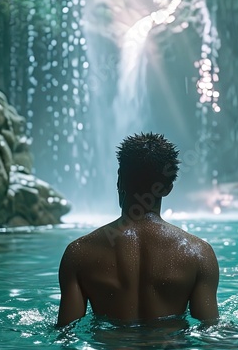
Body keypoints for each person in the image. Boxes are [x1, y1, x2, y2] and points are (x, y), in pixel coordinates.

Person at [56, 132, 219, 327]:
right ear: (168, 188)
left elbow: (65, 332)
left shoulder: (79, 253)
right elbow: (211, 331)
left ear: (119, 181)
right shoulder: (199, 254)